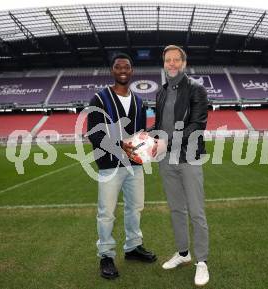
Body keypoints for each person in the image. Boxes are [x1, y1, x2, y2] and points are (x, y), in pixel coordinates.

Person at [87, 53, 157, 280]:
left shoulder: (139, 101)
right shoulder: (99, 98)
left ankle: (133, 247)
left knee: (135, 207)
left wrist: (148, 144)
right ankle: (106, 255)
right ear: (112, 71)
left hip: (134, 165)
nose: (123, 70)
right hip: (109, 166)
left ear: (132, 71)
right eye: (118, 67)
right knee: (106, 213)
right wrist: (119, 146)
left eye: (127, 67)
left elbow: (140, 135)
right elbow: (95, 133)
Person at [150, 45, 210, 286]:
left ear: (184, 64)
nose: (172, 64)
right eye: (168, 60)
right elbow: (159, 124)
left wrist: (167, 142)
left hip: (189, 157)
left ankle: (202, 262)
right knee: (176, 209)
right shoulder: (161, 92)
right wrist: (148, 140)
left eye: (176, 60)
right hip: (166, 159)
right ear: (164, 64)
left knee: (196, 211)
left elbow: (197, 125)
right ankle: (183, 254)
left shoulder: (197, 89)